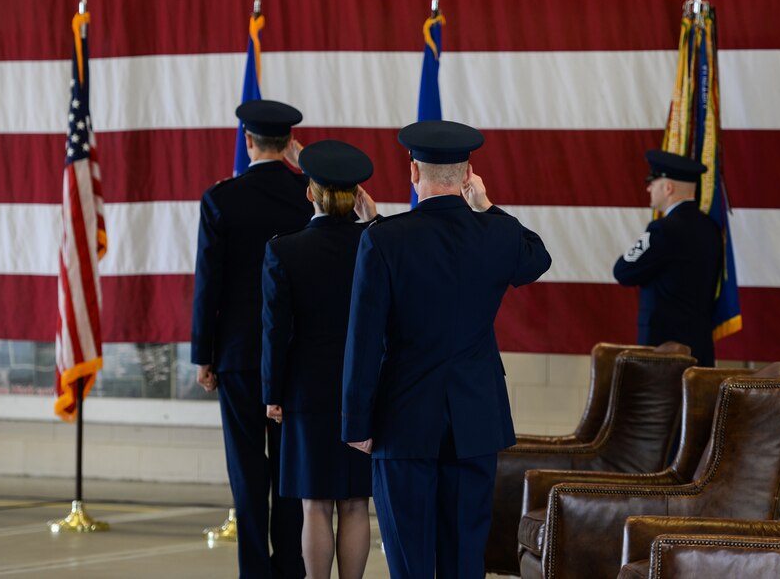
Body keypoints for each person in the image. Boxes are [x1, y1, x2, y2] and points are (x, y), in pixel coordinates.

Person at [341, 119, 552, 578]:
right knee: (463, 560)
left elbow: (363, 338)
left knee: (410, 560)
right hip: (475, 419)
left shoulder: (381, 238)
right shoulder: (496, 234)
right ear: (467, 173)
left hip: (403, 419)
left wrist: (357, 421)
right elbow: (537, 257)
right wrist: (488, 205)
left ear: (413, 171)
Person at [191, 99, 309, 579]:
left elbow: (208, 283)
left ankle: (254, 572)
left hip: (239, 355)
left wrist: (204, 354)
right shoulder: (308, 194)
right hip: (295, 354)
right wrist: (307, 167)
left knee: (246, 468)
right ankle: (290, 569)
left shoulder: (221, 198)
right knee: (289, 467)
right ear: (287, 144)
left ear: (248, 141)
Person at [261, 140, 378, 579]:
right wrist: (377, 221)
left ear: (309, 192)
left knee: (314, 503)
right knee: (354, 503)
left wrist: (272, 392)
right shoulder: (375, 244)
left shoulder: (284, 250)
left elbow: (275, 330)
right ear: (356, 195)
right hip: (362, 389)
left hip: (306, 391)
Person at [613, 149, 723, 367]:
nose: (648, 188)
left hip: (664, 353)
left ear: (668, 187)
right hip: (700, 349)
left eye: (653, 183)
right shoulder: (711, 228)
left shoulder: (664, 230)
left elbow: (623, 271)